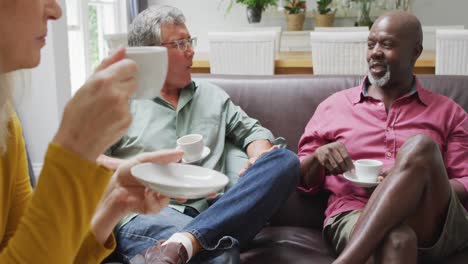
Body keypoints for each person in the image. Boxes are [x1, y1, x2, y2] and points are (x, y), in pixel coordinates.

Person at [99, 5, 301, 264]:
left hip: (218, 211)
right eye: (180, 44)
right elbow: (89, 164)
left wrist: (259, 155)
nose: (191, 51)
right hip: (149, 213)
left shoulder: (212, 96)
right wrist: (143, 171)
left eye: (189, 41)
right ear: (151, 54)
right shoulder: (118, 103)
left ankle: (183, 243)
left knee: (285, 161)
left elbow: (253, 131)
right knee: (221, 255)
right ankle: (189, 243)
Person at [0, 0, 179, 262]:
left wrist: (113, 203)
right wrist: (74, 150)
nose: (56, 11)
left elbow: (42, 252)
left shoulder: (6, 122)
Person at [298, 11, 468, 264]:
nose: (375, 52)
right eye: (371, 44)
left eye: (387, 45)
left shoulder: (449, 112)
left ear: (415, 52)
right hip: (353, 212)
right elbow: (301, 179)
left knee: (420, 147)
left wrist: (411, 180)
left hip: (433, 218)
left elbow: (464, 180)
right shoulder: (333, 107)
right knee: (398, 240)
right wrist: (318, 157)